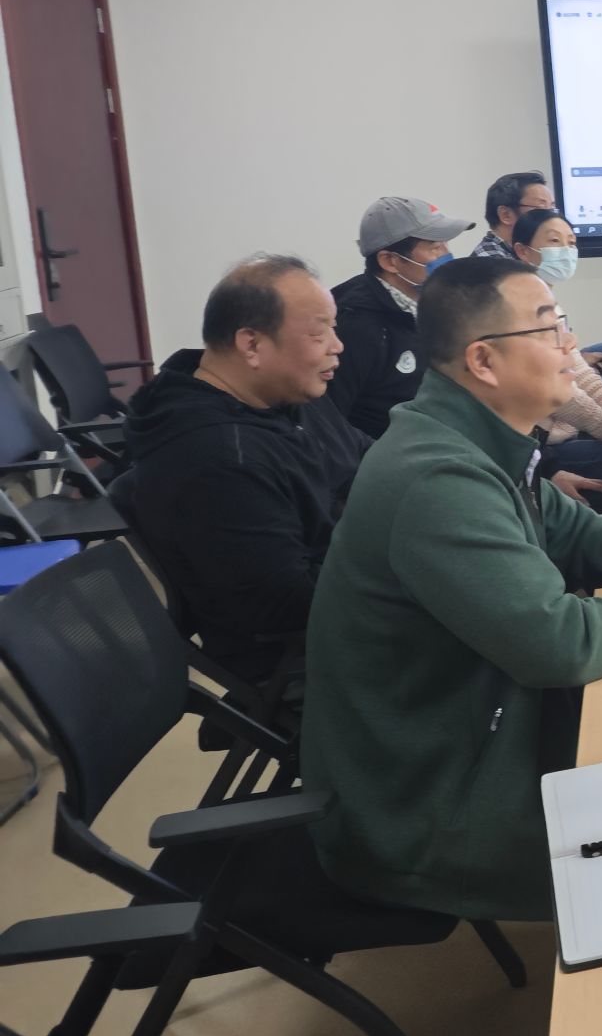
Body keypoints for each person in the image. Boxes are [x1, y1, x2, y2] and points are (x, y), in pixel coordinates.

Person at [301, 257, 602, 921]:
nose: (572, 345)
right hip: (433, 809)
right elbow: (560, 645)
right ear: (483, 362)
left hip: (488, 735)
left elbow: (571, 529)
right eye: (549, 329)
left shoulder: (471, 437)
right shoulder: (439, 479)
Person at [125, 255, 370, 686]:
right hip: (308, 655)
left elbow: (369, 459)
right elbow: (291, 601)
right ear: (251, 345)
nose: (338, 346)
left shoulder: (286, 397)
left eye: (333, 329)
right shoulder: (218, 459)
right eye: (319, 334)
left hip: (353, 592)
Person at [328, 195, 473, 439]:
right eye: (435, 247)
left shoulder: (436, 303)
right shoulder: (354, 324)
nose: (447, 255)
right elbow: (330, 422)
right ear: (390, 261)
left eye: (445, 244)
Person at [512, 208, 602, 485]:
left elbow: (579, 371)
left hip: (562, 424)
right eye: (554, 241)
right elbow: (559, 392)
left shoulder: (544, 294)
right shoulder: (517, 305)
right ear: (523, 251)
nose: (566, 251)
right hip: (541, 445)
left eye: (571, 243)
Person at [471, 170, 555, 261]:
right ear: (505, 215)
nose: (552, 218)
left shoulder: (524, 253)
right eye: (541, 209)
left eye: (552, 209)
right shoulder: (492, 262)